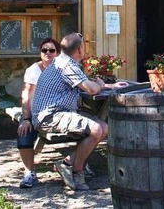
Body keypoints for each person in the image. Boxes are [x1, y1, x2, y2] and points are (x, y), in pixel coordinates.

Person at [31, 33, 128, 191]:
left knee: (103, 127)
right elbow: (90, 89)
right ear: (80, 49)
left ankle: (67, 164)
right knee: (96, 129)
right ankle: (77, 171)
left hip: (58, 113)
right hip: (49, 117)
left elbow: (87, 83)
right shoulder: (66, 65)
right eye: (84, 46)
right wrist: (100, 83)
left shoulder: (65, 62)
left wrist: (109, 86)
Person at [17, 37, 60, 188]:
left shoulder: (62, 69)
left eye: (51, 50)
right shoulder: (33, 70)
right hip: (36, 113)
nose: (48, 53)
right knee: (24, 133)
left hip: (57, 114)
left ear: (57, 53)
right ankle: (29, 172)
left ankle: (75, 166)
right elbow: (26, 95)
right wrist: (26, 118)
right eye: (44, 50)